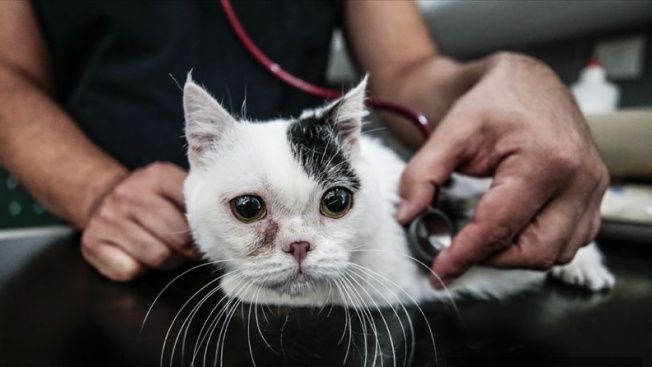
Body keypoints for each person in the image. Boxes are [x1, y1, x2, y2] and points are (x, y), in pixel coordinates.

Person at [0, 1, 608, 286]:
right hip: (109, 248)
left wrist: (509, 79)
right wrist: (95, 188)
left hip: (315, 257)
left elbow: (409, 69)